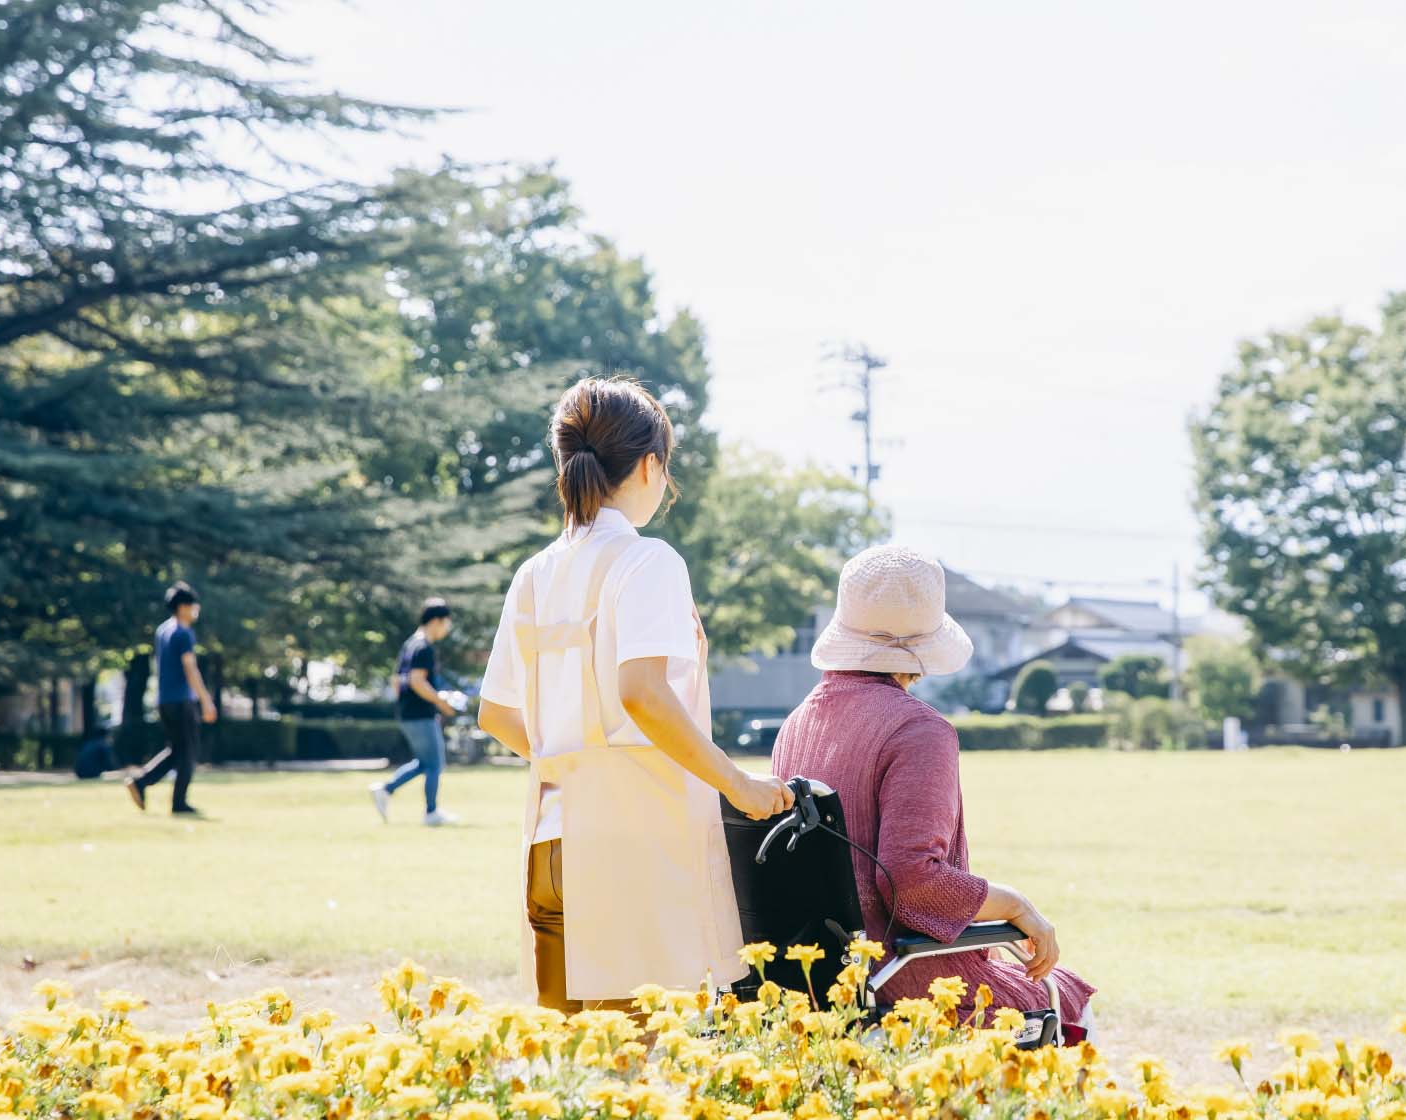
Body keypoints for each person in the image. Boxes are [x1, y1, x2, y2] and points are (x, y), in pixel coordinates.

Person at [476, 375, 794, 1013]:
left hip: (550, 841)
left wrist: (571, 761)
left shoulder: (534, 573)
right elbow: (642, 694)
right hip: (632, 848)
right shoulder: (648, 562)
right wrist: (739, 784)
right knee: (637, 1063)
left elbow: (497, 713)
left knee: (571, 1073)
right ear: (650, 465)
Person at [771, 544, 1097, 1037]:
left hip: (813, 982)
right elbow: (912, 882)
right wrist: (1015, 904)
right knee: (1068, 999)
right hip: (904, 977)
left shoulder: (795, 725)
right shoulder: (918, 730)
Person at [124, 582, 219, 817]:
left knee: (176, 750)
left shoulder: (163, 630)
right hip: (180, 699)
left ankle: (141, 781)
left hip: (164, 699)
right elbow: (190, 668)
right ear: (184, 607)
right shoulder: (183, 632)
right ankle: (179, 802)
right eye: (193, 604)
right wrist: (206, 700)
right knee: (188, 752)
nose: (197, 608)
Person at [370, 598, 461, 826]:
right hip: (420, 714)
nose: (447, 628)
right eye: (446, 623)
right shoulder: (423, 648)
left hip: (408, 713)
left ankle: (385, 789)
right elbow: (417, 681)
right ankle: (431, 812)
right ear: (436, 621)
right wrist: (441, 702)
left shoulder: (410, 644)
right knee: (435, 764)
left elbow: (396, 681)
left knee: (424, 762)